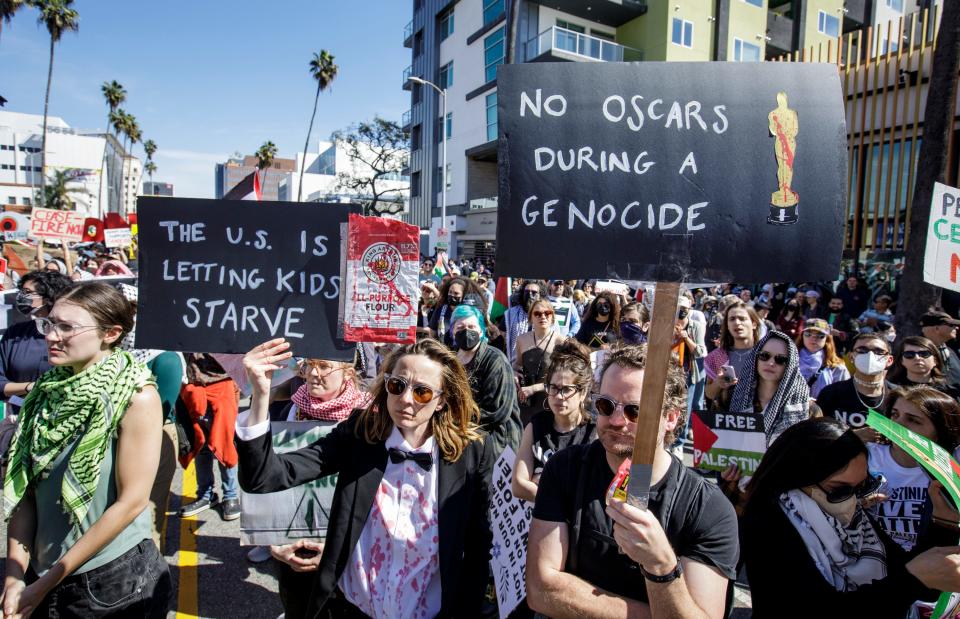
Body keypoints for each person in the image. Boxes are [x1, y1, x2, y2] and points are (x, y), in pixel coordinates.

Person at [236, 338, 493, 618]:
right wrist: (261, 395)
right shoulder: (361, 434)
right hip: (352, 609)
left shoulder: (471, 454)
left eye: (421, 392)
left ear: (442, 400)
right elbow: (263, 478)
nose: (405, 399)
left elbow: (478, 549)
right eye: (397, 386)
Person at [526, 344, 739, 617]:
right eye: (605, 405)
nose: (616, 420)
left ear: (671, 418)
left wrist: (661, 566)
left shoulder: (708, 509)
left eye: (634, 412)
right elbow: (542, 589)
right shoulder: (565, 468)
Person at [2, 282, 171, 617]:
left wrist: (47, 581)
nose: (51, 336)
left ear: (111, 333)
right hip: (42, 572)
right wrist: (13, 575)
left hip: (112, 583)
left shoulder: (136, 396)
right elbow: (27, 492)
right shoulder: (44, 393)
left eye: (67, 327)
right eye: (49, 323)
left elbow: (132, 502)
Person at [742, 418, 960, 617]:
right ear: (799, 477)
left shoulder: (850, 513)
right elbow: (813, 609)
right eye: (840, 489)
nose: (853, 500)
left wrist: (944, 523)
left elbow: (902, 568)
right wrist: (911, 579)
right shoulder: (766, 522)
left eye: (862, 487)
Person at [865, 387, 960, 551]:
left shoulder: (953, 468)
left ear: (939, 431)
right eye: (894, 415)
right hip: (877, 561)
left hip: (934, 563)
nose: (897, 424)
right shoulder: (867, 456)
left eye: (913, 420)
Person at [512, 341, 596, 503]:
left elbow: (591, 493)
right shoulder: (536, 425)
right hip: (540, 523)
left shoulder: (593, 432)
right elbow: (518, 486)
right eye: (553, 388)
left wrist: (542, 482)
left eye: (566, 389)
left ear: (583, 393)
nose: (558, 396)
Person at [450, 303, 521, 457]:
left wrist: (452, 419)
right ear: (453, 331)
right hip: (459, 437)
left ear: (481, 330)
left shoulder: (495, 359)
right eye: (460, 328)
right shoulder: (449, 360)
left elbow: (496, 411)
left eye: (472, 326)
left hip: (495, 443)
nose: (466, 331)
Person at [0, 271, 73, 419]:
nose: (21, 297)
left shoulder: (73, 334)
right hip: (19, 418)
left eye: (28, 293)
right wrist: (30, 388)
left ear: (49, 297)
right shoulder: (15, 333)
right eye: (21, 291)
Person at [177, 354, 242, 520]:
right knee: (200, 445)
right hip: (193, 388)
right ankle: (205, 495)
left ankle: (230, 495)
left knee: (224, 444)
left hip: (221, 387)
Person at [816, 332, 893, 429]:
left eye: (879, 351)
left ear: (889, 360)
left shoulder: (898, 396)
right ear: (851, 357)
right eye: (862, 350)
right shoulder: (831, 393)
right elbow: (818, 434)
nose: (870, 355)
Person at [513, 299, 560, 426]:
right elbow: (518, 364)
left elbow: (563, 381)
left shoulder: (560, 341)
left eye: (547, 313)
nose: (543, 316)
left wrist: (534, 388)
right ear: (531, 318)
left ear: (552, 317)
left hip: (549, 401)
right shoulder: (521, 340)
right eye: (537, 313)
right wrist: (514, 373)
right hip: (526, 400)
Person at [704, 300, 761, 404]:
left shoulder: (765, 354)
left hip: (759, 416)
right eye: (732, 319)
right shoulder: (717, 356)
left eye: (742, 319)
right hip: (727, 415)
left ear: (754, 324)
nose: (737, 323)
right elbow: (709, 394)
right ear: (727, 326)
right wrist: (718, 383)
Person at [887, 336, 959, 398]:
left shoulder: (949, 393)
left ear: (935, 360)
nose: (917, 358)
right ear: (901, 360)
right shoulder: (890, 390)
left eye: (924, 354)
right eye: (909, 354)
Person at [796, 318, 851, 398]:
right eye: (808, 334)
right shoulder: (787, 360)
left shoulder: (837, 368)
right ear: (802, 336)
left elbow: (843, 397)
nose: (813, 338)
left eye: (820, 335)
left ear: (827, 339)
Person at [503, 280, 546, 365]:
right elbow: (502, 334)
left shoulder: (547, 315)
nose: (530, 295)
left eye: (534, 292)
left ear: (540, 295)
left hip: (539, 364)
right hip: (514, 363)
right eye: (527, 292)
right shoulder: (511, 314)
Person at [920, 310, 960, 392]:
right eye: (951, 325)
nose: (956, 327)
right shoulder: (917, 354)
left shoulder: (950, 351)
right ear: (937, 328)